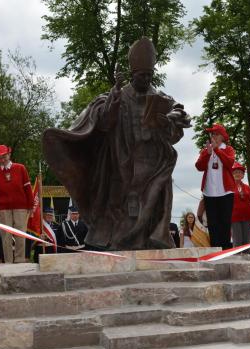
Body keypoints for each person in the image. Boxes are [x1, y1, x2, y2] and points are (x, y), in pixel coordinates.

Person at [43, 37, 190, 251]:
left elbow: (179, 115)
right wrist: (115, 96)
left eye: (149, 75)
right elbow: (103, 121)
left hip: (154, 162)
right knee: (122, 207)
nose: (146, 79)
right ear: (132, 75)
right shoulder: (120, 96)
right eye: (142, 75)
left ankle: (151, 238)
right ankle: (120, 241)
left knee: (154, 198)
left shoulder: (159, 97)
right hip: (124, 161)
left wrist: (173, 116)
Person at [0, 144, 34, 263]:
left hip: (21, 207)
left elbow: (28, 188)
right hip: (3, 208)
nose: (2, 159)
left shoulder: (20, 168)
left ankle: (20, 259)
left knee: (20, 233)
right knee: (5, 236)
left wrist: (31, 206)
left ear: (9, 154)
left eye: (4, 156)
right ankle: (8, 261)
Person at [195, 123, 236, 249]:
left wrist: (217, 150)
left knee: (225, 222)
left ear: (223, 136)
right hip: (209, 192)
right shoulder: (206, 150)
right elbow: (199, 167)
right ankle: (215, 249)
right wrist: (207, 154)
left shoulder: (228, 149)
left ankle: (226, 249)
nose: (213, 136)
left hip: (225, 192)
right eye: (212, 134)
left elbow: (229, 163)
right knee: (212, 223)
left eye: (216, 134)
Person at [230, 162, 250, 247]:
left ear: (243, 175)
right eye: (235, 172)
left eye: (240, 172)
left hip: (247, 217)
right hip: (234, 218)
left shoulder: (248, 188)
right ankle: (237, 259)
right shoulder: (229, 187)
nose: (238, 174)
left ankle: (247, 257)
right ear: (232, 174)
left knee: (247, 240)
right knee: (237, 240)